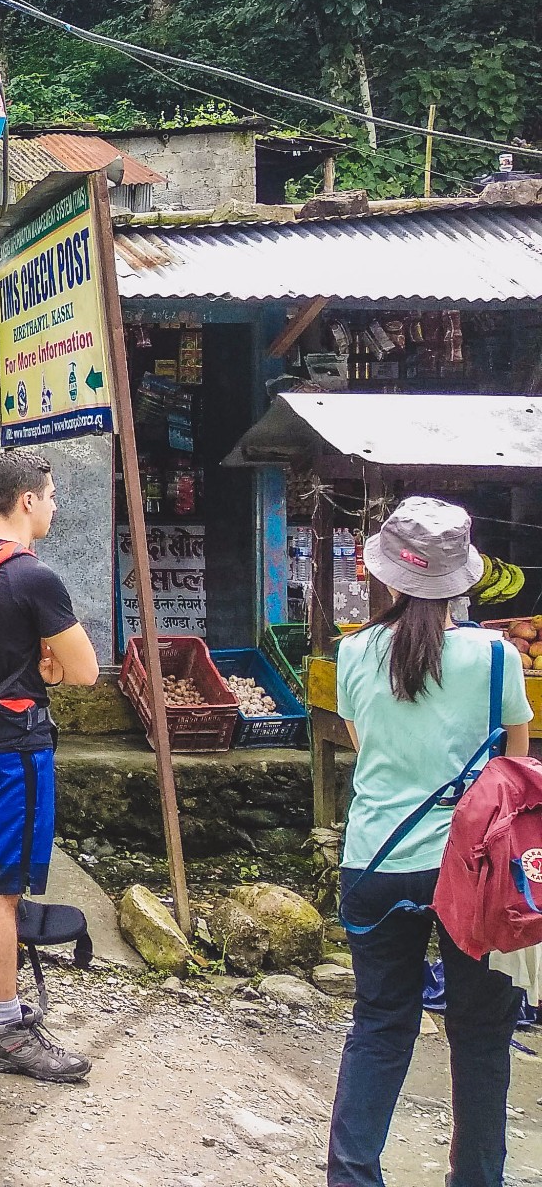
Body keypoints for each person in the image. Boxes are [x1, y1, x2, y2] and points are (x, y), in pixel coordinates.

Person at [327, 497, 531, 1187]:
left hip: (376, 861)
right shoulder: (498, 658)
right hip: (475, 874)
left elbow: (367, 750)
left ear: (388, 574)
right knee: (481, 1036)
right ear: (460, 579)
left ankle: (352, 1175)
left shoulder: (352, 653)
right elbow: (513, 771)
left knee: (381, 1022)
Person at [0, 448, 99, 1083]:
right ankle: (5, 1030)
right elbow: (84, 671)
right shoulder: (34, 577)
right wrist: (49, 665)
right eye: (51, 496)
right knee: (0, 890)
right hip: (12, 748)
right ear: (27, 500)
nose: (54, 506)